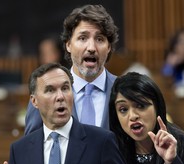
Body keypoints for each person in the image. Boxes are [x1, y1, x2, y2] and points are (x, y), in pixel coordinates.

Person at [0, 63, 140, 164]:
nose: (60, 96)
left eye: (65, 88)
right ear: (34, 101)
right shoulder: (20, 150)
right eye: (50, 90)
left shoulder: (101, 141)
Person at [25, 4, 118, 134]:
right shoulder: (44, 91)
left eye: (99, 39)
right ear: (68, 45)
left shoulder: (124, 90)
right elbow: (32, 147)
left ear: (108, 47)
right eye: (83, 38)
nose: (91, 47)